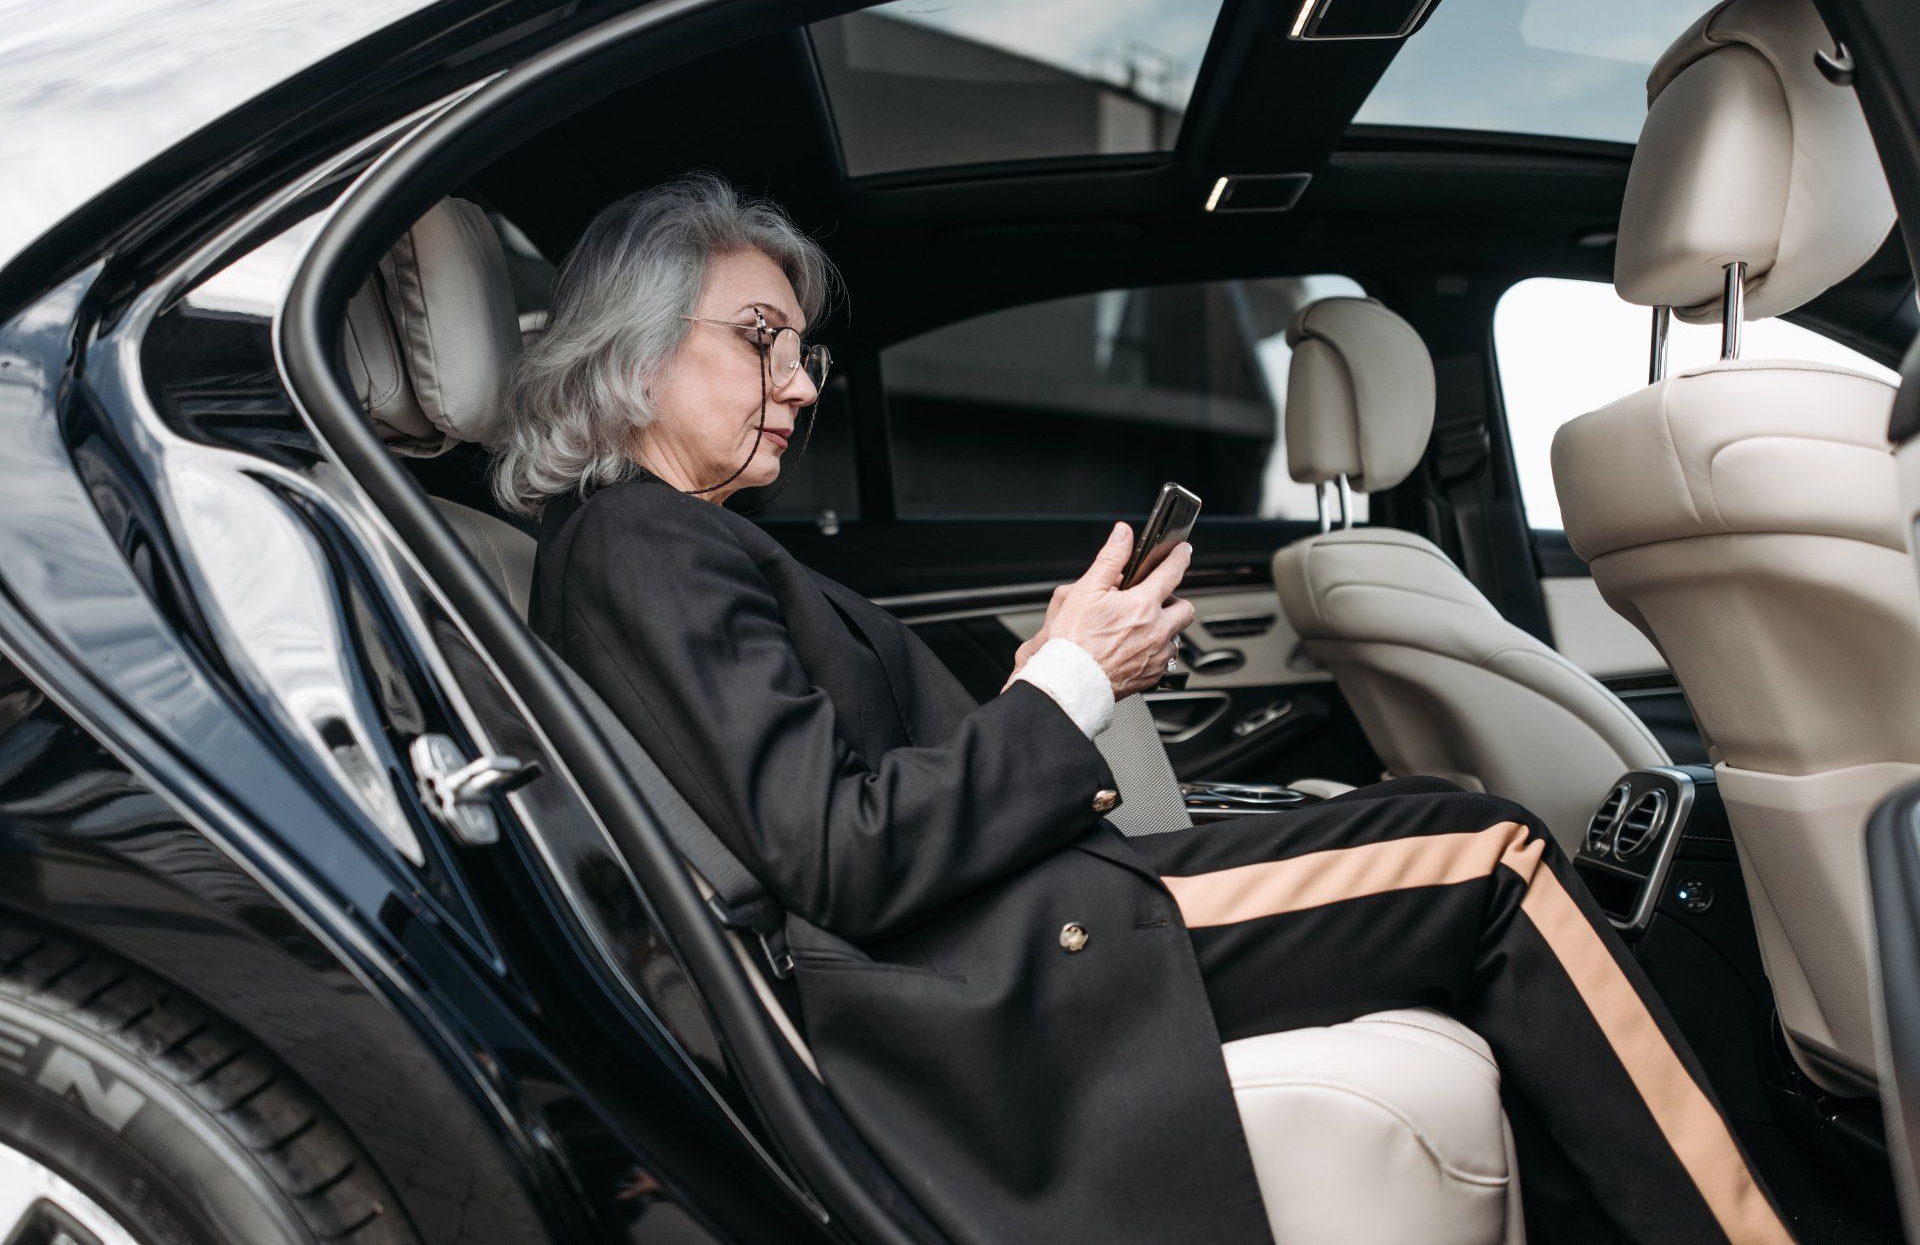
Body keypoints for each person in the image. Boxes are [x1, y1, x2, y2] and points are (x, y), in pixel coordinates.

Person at [500, 173, 1796, 1245]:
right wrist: (1068, 680)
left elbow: (839, 798)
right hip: (981, 966)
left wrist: (1052, 678)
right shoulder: (642, 544)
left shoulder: (657, 547)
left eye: (807, 348)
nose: (801, 381)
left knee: (1459, 834)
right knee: (1493, 853)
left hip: (993, 921)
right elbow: (840, 853)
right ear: (631, 343)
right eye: (759, 337)